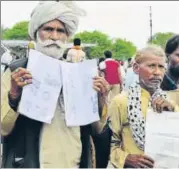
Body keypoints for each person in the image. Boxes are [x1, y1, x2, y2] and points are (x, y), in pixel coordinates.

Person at [1, 1, 109, 168]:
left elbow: (97, 129)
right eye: (48, 29)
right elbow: (3, 129)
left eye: (61, 31)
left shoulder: (79, 73)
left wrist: (101, 100)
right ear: (35, 34)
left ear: (67, 36)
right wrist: (14, 96)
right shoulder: (16, 72)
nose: (54, 36)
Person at [108, 45, 179, 168]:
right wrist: (126, 158)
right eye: (151, 66)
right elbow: (110, 144)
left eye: (161, 67)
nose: (157, 72)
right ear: (136, 68)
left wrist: (172, 112)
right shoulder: (121, 101)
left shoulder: (169, 102)